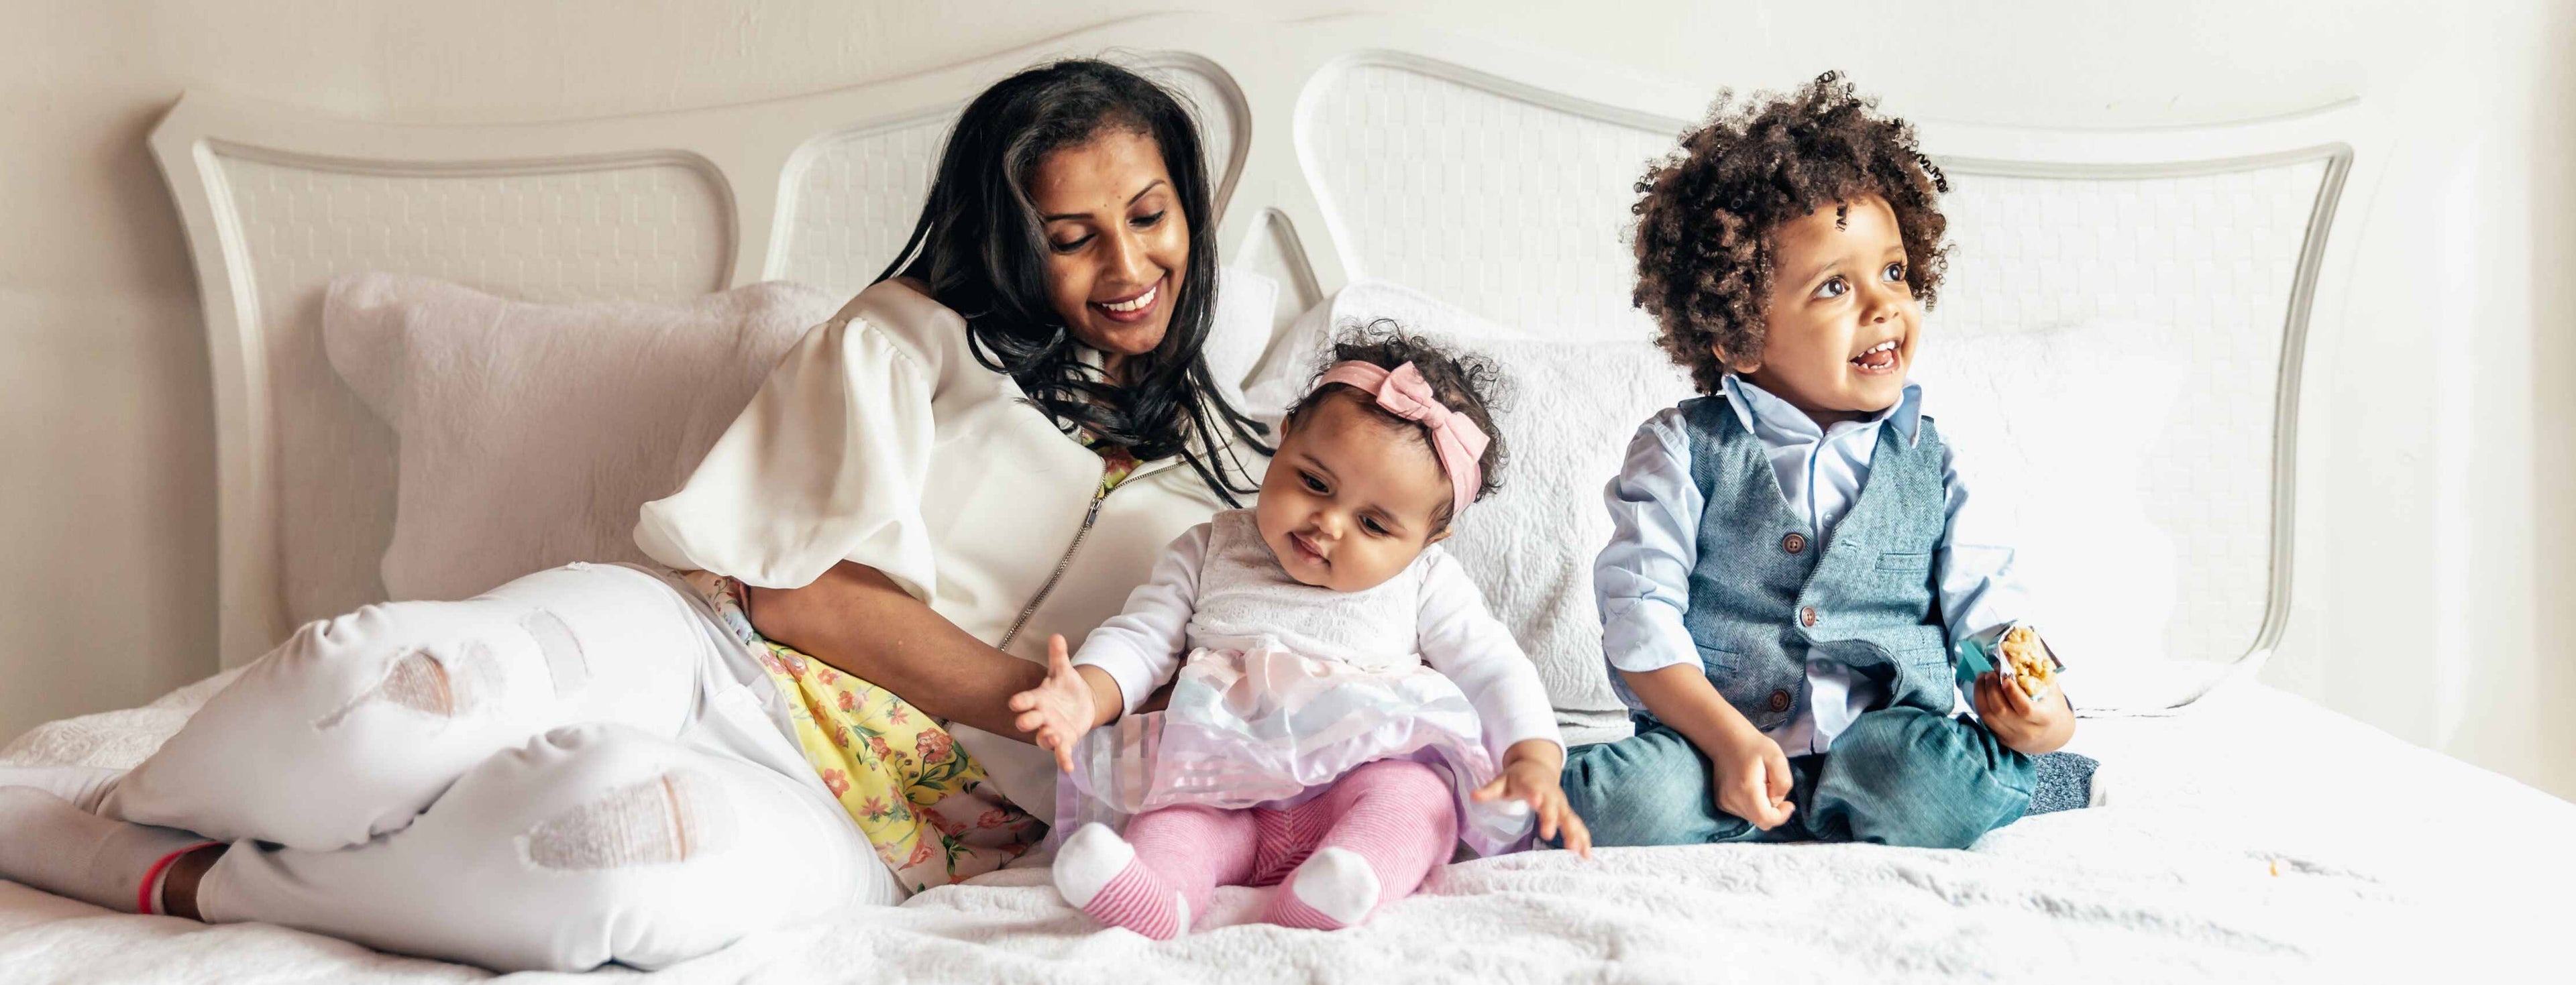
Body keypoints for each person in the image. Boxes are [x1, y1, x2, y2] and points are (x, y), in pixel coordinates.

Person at [0, 58, 1271, 972]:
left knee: (612, 856)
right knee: (396, 684)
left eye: (1149, 215)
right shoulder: (907, 340)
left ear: (1190, 208)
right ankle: (126, 806)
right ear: (1009, 242)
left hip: (898, 832)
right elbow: (797, 587)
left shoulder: (1239, 488)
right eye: (1072, 234)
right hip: (704, 652)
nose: (1125, 265)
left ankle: (189, 875)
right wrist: (1037, 702)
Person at [1558, 72, 2096, 851]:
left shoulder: (1932, 460)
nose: (1884, 306)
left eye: (1895, 272)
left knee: (1924, 778)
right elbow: (1641, 623)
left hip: (1882, 747)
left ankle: (2042, 775)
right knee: (1627, 801)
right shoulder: (1681, 449)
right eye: (1836, 285)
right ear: (1739, 333)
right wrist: (1727, 739)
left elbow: (1990, 610)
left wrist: (2046, 712)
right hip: (1717, 746)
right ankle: (1471, 796)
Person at [1010, 325, 1589, 939]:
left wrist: (1532, 757)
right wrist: (1087, 693)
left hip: (1361, 777)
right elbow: (1142, 637)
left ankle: (1339, 885)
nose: (1328, 523)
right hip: (1222, 783)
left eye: (1373, 523)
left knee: (1419, 801)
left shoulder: (1425, 581)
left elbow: (1493, 666)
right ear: (1283, 439)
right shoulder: (1211, 548)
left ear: (1428, 540)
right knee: (1174, 817)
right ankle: (1156, 897)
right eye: (1314, 482)